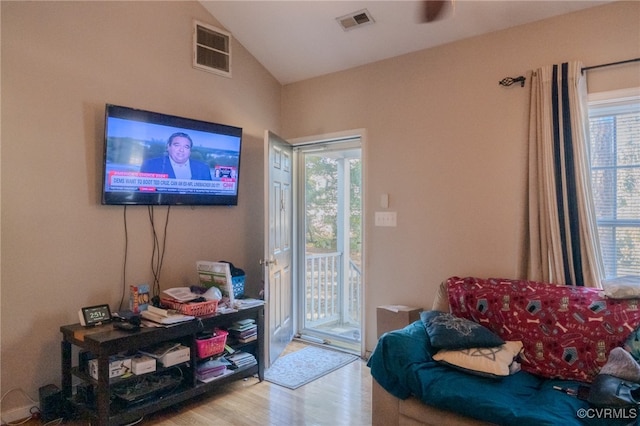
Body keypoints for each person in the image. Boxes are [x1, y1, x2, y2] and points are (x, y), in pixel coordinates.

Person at [140, 132, 212, 180]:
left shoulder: (203, 168)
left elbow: (209, 196)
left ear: (190, 151)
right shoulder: (150, 165)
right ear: (168, 147)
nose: (181, 150)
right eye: (177, 145)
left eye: (186, 147)